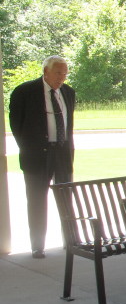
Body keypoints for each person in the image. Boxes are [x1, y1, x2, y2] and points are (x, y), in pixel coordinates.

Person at [9, 55, 75, 259]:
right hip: (37, 156)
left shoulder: (68, 92)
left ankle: (71, 241)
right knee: (37, 200)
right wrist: (31, 147)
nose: (61, 77)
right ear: (45, 71)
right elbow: (16, 125)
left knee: (66, 197)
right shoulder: (24, 92)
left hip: (62, 153)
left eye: (64, 73)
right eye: (58, 73)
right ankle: (38, 246)